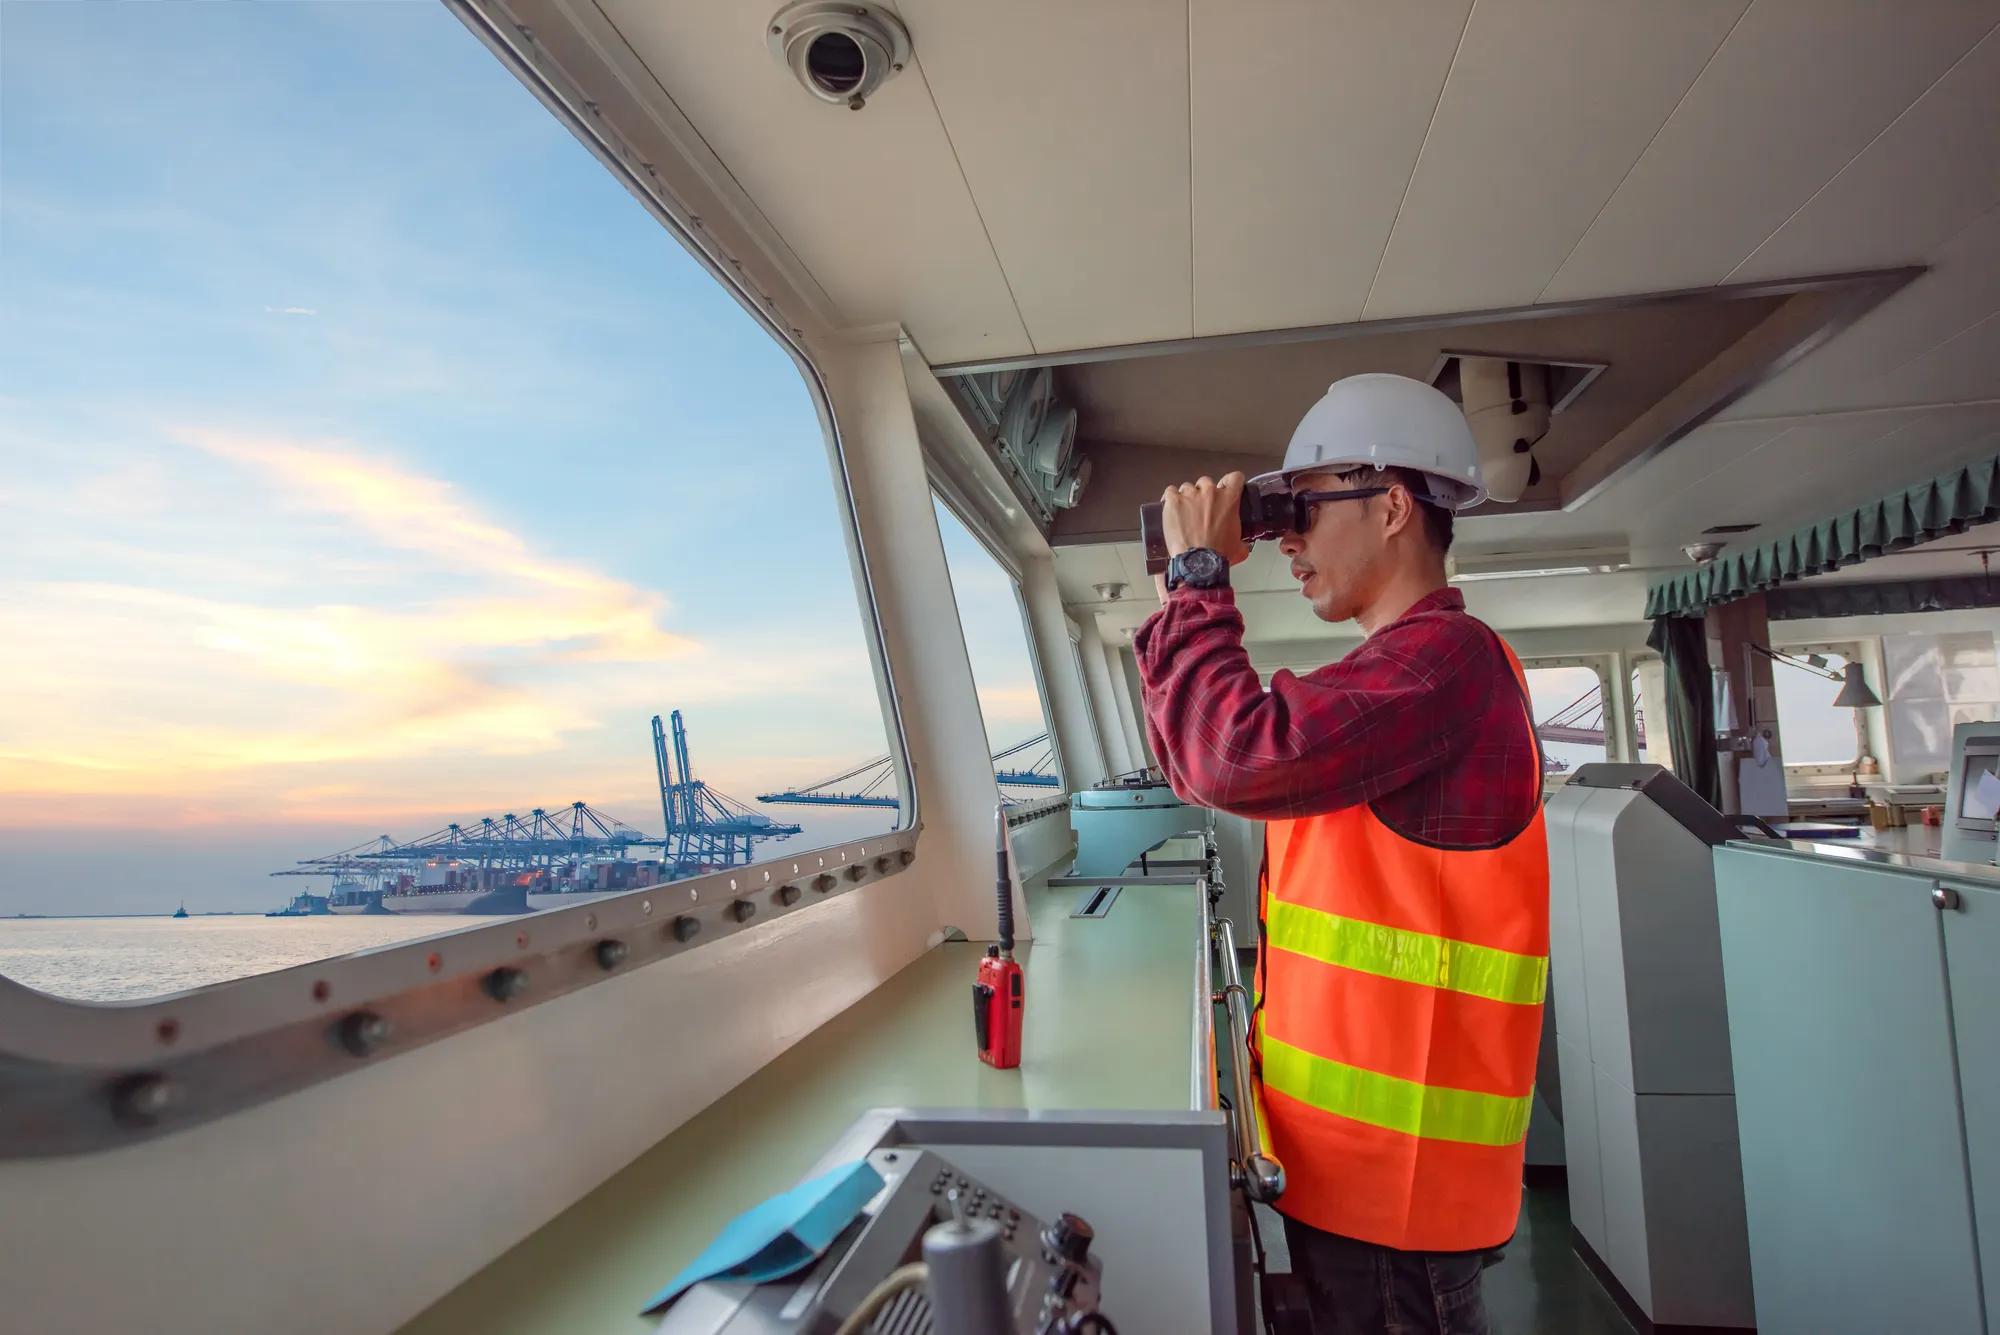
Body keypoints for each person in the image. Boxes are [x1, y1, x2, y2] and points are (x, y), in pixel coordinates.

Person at [1135, 373, 1548, 1335]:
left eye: (1306, 509)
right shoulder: (1396, 673)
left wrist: (1203, 578)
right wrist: (1179, 589)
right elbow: (1202, 767)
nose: (1285, 538)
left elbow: (1235, 755)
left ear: (1397, 505)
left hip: (1399, 1193)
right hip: (1354, 1178)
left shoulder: (1449, 663)